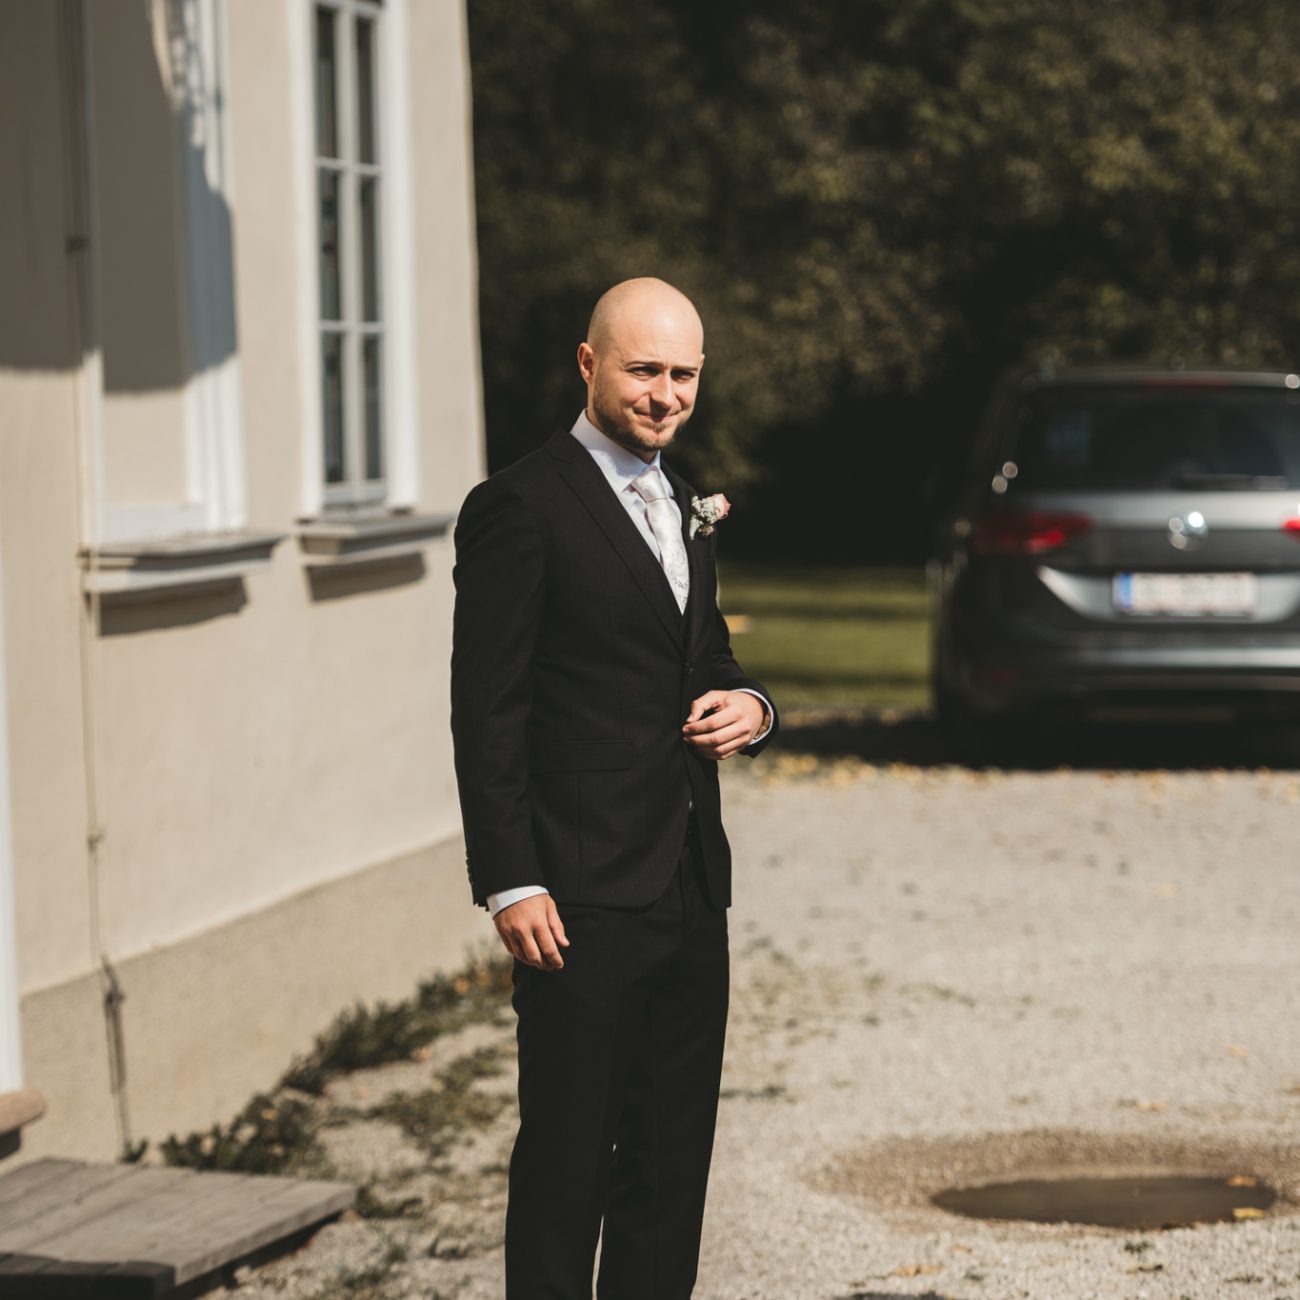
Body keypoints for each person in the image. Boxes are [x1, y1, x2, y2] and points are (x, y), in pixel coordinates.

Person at [450, 277, 777, 1298]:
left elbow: (705, 654)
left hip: (687, 884)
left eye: (683, 375)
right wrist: (512, 879)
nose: (665, 394)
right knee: (565, 1163)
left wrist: (752, 707)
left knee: (670, 1166)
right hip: (578, 893)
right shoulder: (519, 506)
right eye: (644, 370)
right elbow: (486, 709)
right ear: (589, 365)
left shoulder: (685, 500)